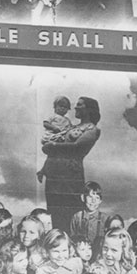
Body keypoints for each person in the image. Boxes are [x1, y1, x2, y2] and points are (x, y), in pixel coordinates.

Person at [39, 95, 102, 232]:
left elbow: (78, 146)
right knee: (54, 210)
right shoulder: (71, 127)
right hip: (54, 174)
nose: (75, 107)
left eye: (80, 105)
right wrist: (44, 168)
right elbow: (55, 147)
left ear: (89, 110)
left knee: (70, 210)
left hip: (70, 175)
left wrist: (53, 145)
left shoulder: (92, 129)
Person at [68, 182, 108, 250]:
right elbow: (72, 239)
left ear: (100, 200)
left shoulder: (105, 218)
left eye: (97, 198)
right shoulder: (77, 217)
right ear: (83, 198)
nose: (93, 201)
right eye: (90, 197)